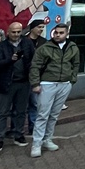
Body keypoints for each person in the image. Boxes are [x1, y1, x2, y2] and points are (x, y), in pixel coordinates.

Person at [29, 23, 80, 158]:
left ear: (67, 33)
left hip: (65, 83)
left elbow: (76, 64)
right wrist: (35, 83)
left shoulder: (73, 47)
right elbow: (35, 66)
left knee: (54, 114)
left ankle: (47, 139)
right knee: (42, 114)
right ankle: (36, 143)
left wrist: (72, 80)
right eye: (56, 32)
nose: (57, 35)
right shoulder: (45, 48)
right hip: (47, 83)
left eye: (61, 33)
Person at [0, 22, 34, 151]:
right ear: (8, 32)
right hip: (7, 83)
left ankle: (18, 134)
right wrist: (11, 59)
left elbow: (33, 59)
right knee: (3, 112)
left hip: (24, 82)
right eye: (13, 32)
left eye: (18, 32)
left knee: (21, 111)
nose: (16, 34)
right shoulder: (1, 46)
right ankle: (0, 138)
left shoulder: (27, 43)